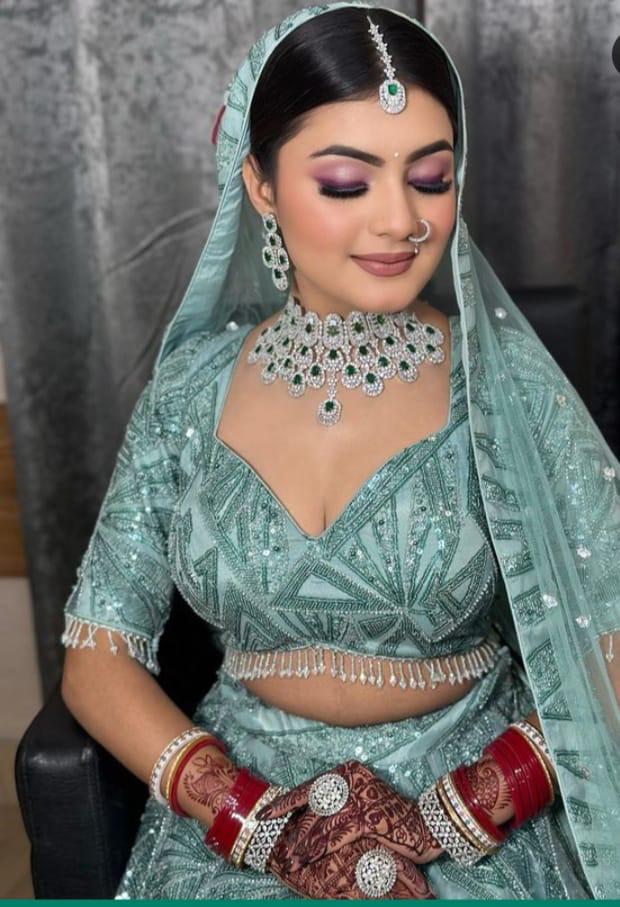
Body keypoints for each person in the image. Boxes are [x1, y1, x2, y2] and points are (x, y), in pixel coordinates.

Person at [59, 2, 620, 900]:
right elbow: (97, 655)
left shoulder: (504, 384)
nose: (401, 220)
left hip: (474, 814)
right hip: (236, 814)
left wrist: (466, 807)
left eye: (430, 178)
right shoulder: (191, 391)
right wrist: (252, 817)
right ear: (261, 184)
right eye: (348, 184)